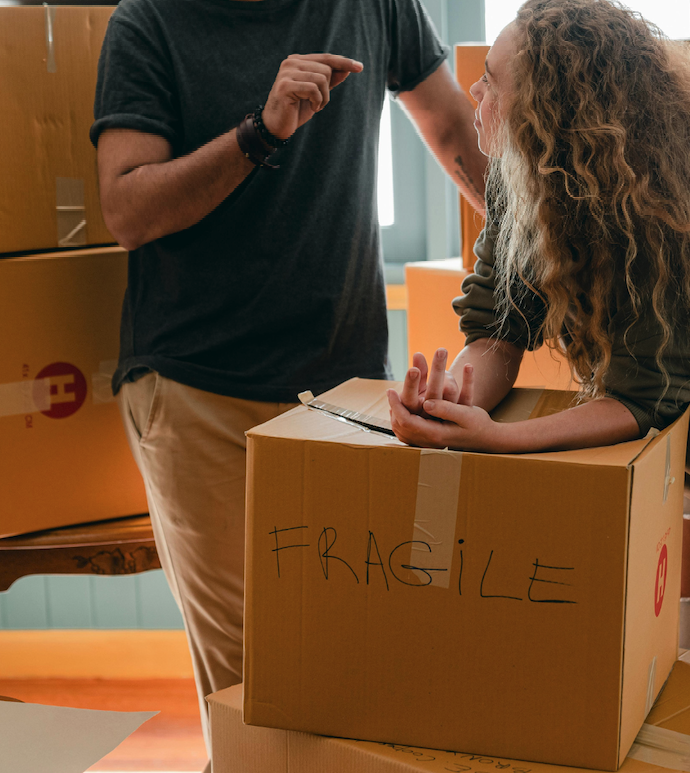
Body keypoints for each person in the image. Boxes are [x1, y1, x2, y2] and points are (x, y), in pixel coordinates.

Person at [387, 0, 690, 695]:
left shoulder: (653, 211)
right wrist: (454, 400)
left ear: (547, 107)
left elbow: (642, 400)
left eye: (493, 81)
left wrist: (499, 442)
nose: (475, 93)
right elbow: (497, 332)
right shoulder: (520, 180)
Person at [90, 0, 487, 765]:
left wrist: (539, 249)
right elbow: (126, 208)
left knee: (346, 666)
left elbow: (450, 126)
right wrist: (259, 132)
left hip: (342, 390)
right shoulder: (148, 21)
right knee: (256, 688)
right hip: (199, 386)